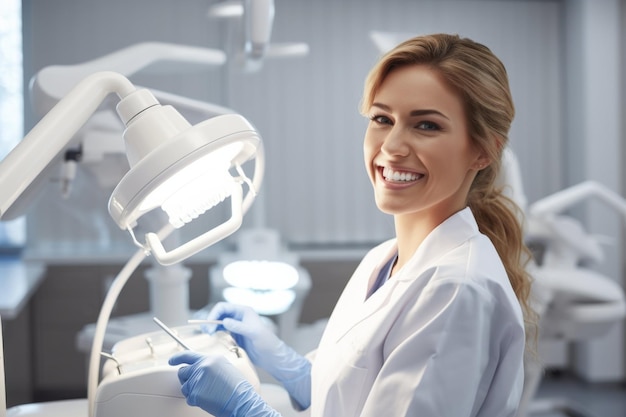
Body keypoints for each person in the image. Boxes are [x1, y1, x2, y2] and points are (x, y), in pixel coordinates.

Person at [169, 33, 536, 417]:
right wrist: (286, 363)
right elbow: (353, 394)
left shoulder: (456, 291)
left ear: (482, 151)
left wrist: (245, 410)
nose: (392, 146)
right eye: (382, 118)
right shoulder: (386, 259)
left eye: (426, 125)